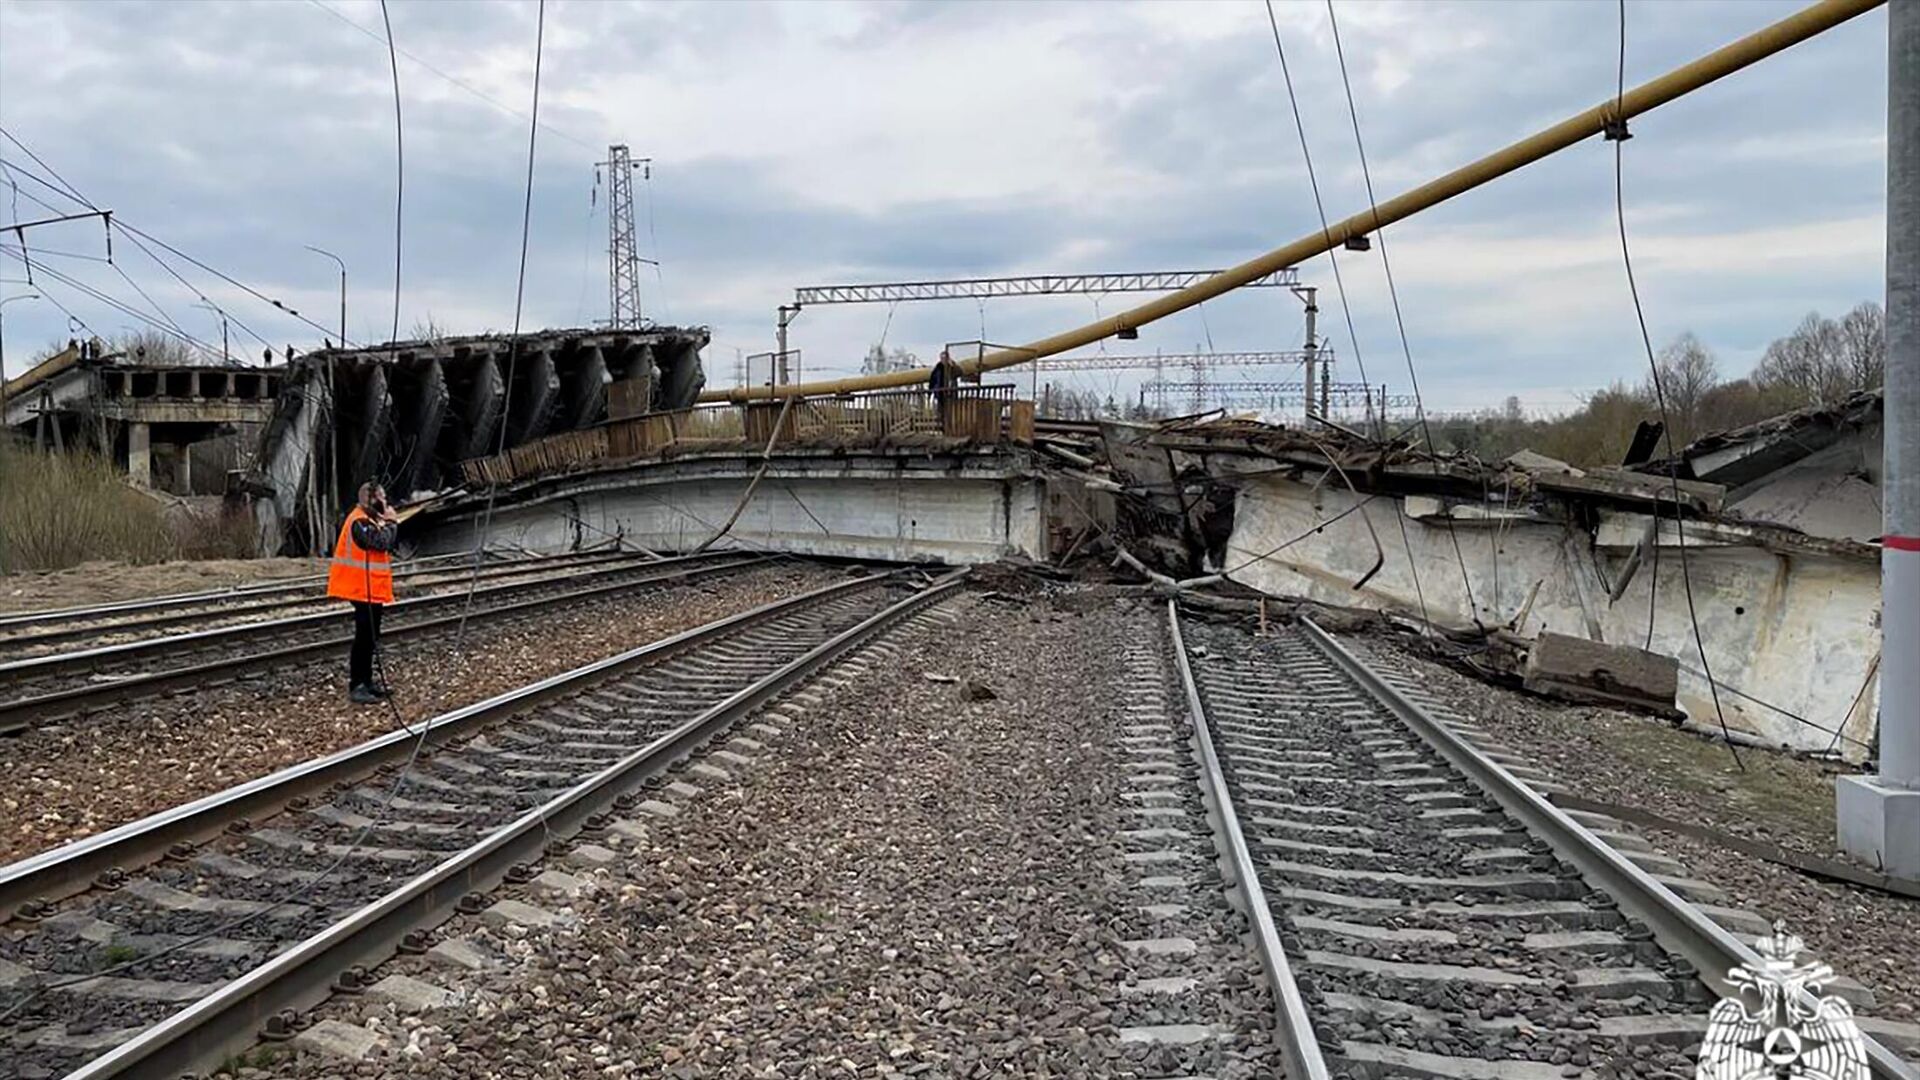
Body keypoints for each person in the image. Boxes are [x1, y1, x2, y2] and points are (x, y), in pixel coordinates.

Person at [327, 481, 399, 704]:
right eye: (382, 497)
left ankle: (366, 681)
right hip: (359, 588)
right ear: (373, 499)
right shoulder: (359, 521)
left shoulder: (368, 520)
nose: (386, 501)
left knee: (371, 637)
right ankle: (357, 684)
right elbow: (381, 543)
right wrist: (391, 522)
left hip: (370, 589)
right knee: (364, 638)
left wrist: (385, 522)